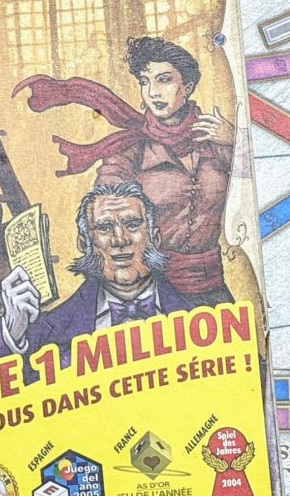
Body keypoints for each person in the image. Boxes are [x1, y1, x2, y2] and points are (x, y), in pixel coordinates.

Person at [15, 36, 236, 300]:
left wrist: (235, 141)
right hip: (152, 291)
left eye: (164, 80)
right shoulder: (130, 149)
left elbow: (249, 192)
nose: (153, 92)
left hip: (214, 286)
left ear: (187, 86)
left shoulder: (219, 141)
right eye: (145, 82)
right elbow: (104, 204)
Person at [0, 181, 197, 380]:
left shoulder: (198, 312)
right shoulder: (50, 328)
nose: (120, 239)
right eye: (104, 228)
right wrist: (11, 334)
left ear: (154, 238)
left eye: (132, 225)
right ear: (85, 244)